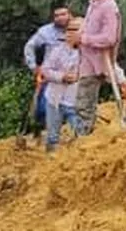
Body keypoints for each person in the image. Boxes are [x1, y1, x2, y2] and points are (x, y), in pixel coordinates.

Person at [77, 0, 121, 133]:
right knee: (84, 102)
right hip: (87, 61)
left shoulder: (108, 7)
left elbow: (109, 38)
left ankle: (83, 138)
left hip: (96, 63)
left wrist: (82, 39)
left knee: (84, 104)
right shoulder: (95, 4)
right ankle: (84, 135)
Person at [23, 4, 72, 136]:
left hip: (73, 76)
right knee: (43, 109)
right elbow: (29, 47)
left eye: (63, 14)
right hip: (50, 76)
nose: (60, 18)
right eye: (57, 15)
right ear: (53, 18)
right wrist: (33, 67)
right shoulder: (45, 32)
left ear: (70, 15)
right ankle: (41, 134)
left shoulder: (78, 28)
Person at [40, 18, 85, 153]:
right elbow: (46, 70)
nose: (71, 32)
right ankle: (49, 163)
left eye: (76, 29)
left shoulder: (90, 53)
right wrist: (62, 77)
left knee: (81, 133)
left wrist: (122, 81)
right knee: (52, 136)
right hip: (55, 99)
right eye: (69, 29)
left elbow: (108, 67)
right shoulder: (57, 50)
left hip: (76, 101)